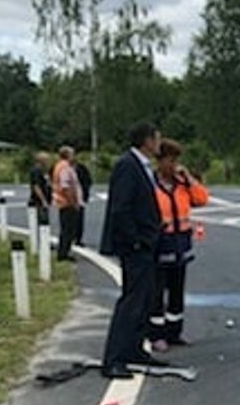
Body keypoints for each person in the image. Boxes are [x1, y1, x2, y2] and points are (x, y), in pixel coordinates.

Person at [99, 122, 163, 379]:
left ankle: (134, 349)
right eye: (157, 139)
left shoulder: (143, 166)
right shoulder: (128, 165)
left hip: (147, 244)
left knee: (144, 300)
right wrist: (135, 240)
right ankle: (113, 358)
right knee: (131, 301)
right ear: (147, 141)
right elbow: (120, 208)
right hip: (135, 247)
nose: (159, 143)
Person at [149, 139, 209, 352]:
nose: (174, 165)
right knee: (156, 293)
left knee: (177, 292)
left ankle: (174, 332)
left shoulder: (182, 184)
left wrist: (189, 179)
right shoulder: (151, 184)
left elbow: (202, 199)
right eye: (170, 160)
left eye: (177, 161)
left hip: (180, 244)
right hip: (159, 245)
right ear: (160, 161)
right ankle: (156, 335)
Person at [51, 146, 82, 262]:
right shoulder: (65, 168)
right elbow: (65, 187)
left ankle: (64, 251)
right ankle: (64, 253)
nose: (74, 156)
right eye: (72, 154)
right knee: (68, 229)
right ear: (68, 155)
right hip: (67, 203)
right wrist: (73, 202)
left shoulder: (60, 166)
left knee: (67, 229)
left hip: (63, 201)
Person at [29, 152, 52, 226]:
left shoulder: (44, 170)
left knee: (44, 220)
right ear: (41, 160)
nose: (48, 162)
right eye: (47, 160)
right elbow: (36, 186)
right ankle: (41, 237)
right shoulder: (37, 170)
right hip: (38, 201)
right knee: (43, 221)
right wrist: (43, 200)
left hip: (44, 199)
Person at [73, 159, 92, 246]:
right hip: (71, 198)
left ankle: (77, 238)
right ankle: (74, 238)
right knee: (72, 219)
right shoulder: (64, 168)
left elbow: (88, 180)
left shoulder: (81, 168)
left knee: (78, 219)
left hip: (79, 197)